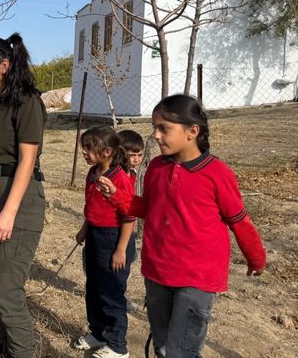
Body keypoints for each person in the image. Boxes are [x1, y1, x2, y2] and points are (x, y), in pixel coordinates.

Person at [99, 95, 266, 357]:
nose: (155, 135)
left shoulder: (217, 173)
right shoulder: (155, 167)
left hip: (197, 277)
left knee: (182, 352)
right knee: (163, 346)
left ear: (192, 131)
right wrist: (116, 196)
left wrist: (256, 258)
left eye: (164, 128)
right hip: (158, 271)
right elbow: (147, 209)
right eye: (155, 127)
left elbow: (239, 220)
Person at [0, 33, 46, 358]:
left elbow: (27, 160)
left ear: (4, 65)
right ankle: (5, 350)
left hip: (18, 194)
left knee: (6, 293)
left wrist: (8, 211)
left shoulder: (27, 101)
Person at [73, 127, 136, 358]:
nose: (85, 153)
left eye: (89, 149)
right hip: (95, 236)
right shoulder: (92, 173)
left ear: (107, 151)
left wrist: (121, 249)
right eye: (84, 148)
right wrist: (84, 229)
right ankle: (98, 332)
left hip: (114, 238)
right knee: (94, 287)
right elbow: (92, 206)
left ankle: (117, 345)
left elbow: (129, 214)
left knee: (111, 292)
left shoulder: (120, 177)